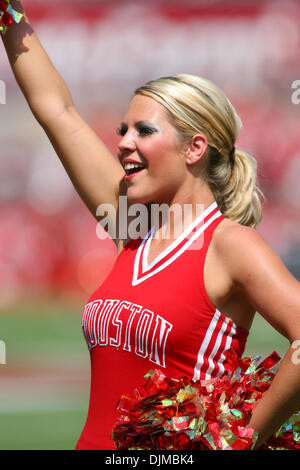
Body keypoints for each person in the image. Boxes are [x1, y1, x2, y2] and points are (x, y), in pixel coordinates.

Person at [1, 1, 300, 451]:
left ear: (194, 147)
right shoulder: (130, 224)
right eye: (123, 130)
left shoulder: (229, 245)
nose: (122, 143)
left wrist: (246, 438)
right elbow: (56, 109)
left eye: (143, 131)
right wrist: (8, 12)